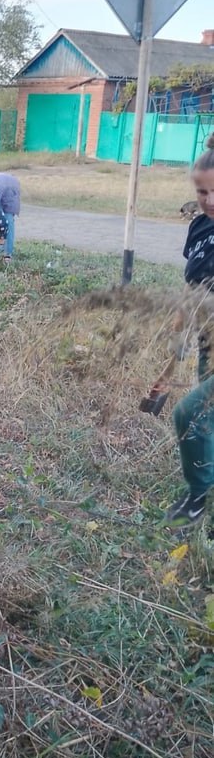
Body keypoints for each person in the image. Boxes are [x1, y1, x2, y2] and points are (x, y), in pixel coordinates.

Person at [166, 134, 214, 529]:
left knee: (191, 413)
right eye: (202, 191)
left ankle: (197, 496)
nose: (209, 200)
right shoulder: (199, 227)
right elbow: (191, 291)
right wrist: (170, 363)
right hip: (207, 343)